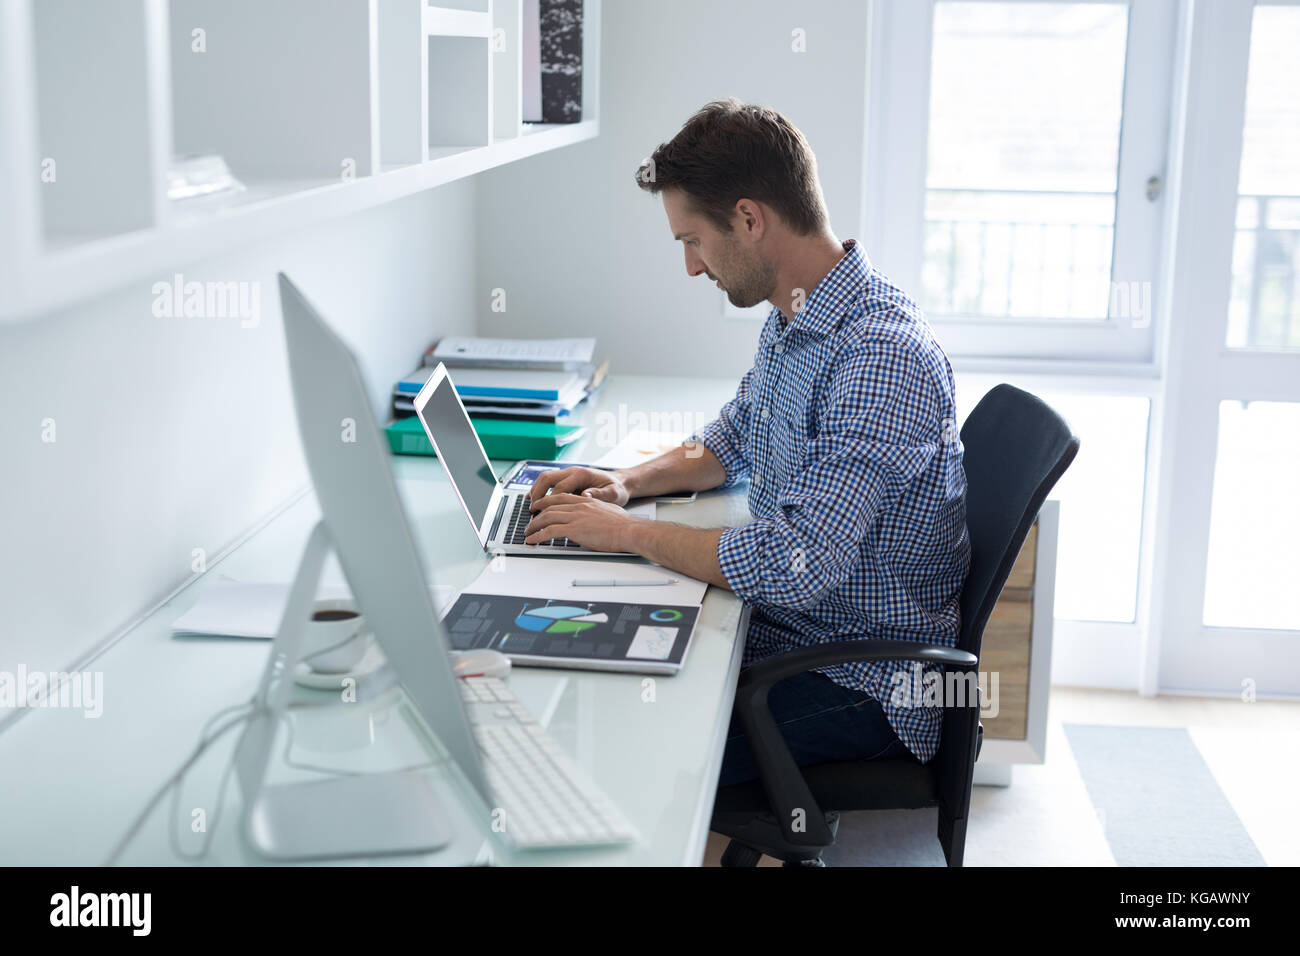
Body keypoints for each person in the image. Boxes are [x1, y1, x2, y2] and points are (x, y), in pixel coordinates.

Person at [525, 99, 970, 786]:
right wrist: (624, 485)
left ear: (750, 219)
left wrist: (626, 534)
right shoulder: (798, 312)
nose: (692, 268)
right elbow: (737, 436)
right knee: (593, 680)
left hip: (868, 681)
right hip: (796, 633)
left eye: (693, 240)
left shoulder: (881, 357)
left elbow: (798, 561)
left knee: (621, 759)